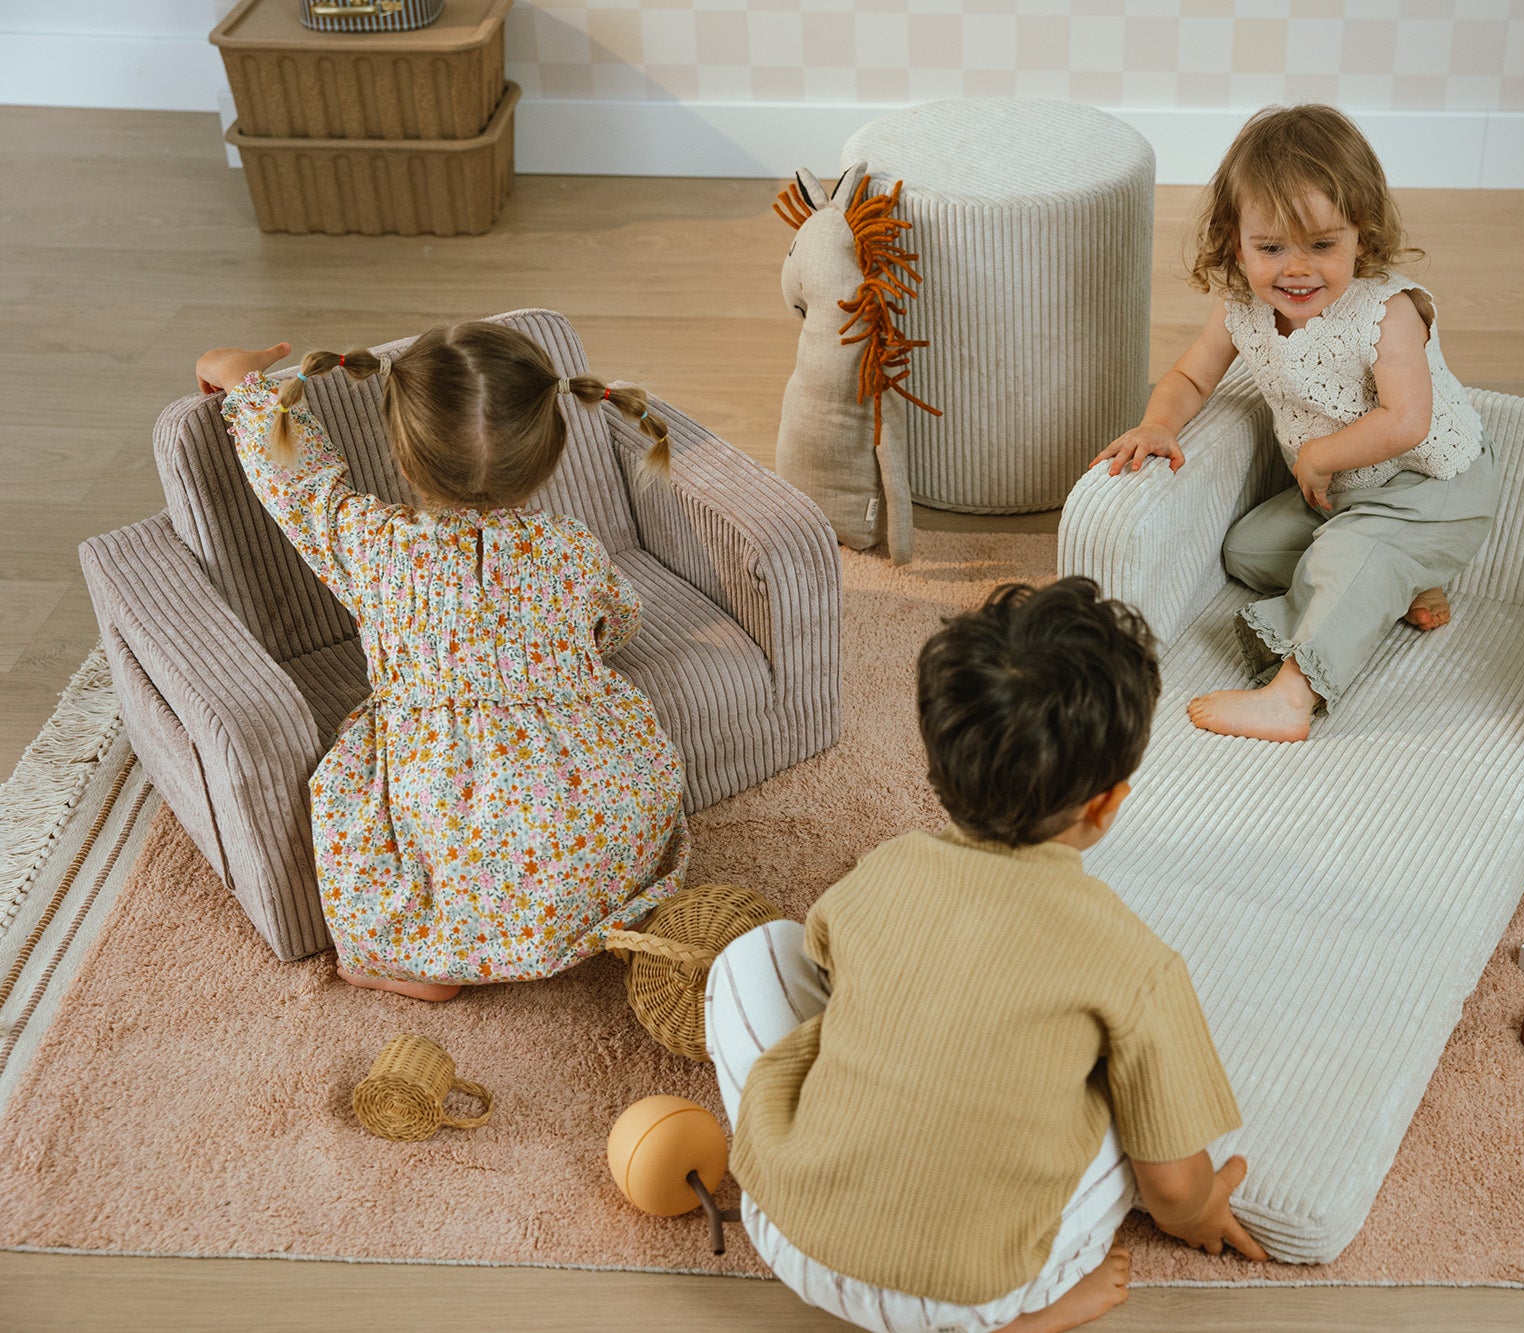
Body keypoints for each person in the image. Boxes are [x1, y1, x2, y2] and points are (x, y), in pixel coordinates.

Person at [705, 578, 1266, 1333]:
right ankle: (1025, 1320)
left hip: (786, 1232)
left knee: (753, 954)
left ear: (938, 769)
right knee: (1137, 1118)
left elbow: (825, 962)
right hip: (968, 1294)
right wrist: (1197, 1209)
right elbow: (1169, 1183)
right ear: (1107, 804)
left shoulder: (884, 869)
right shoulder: (1134, 960)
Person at [195, 325, 689, 1001]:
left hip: (452, 807)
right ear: (549, 456)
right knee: (622, 796)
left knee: (366, 826)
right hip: (599, 812)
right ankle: (593, 909)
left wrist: (243, 383)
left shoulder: (375, 545)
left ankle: (419, 961)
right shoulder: (570, 544)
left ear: (401, 461)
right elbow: (617, 621)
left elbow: (301, 484)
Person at [1093, 103, 1498, 743]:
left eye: (1323, 245)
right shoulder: (1243, 307)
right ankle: (1396, 584)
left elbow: (1407, 421)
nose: (1296, 268)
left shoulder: (1387, 311)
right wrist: (1158, 424)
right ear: (1236, 242)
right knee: (1247, 550)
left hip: (1429, 491)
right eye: (1271, 247)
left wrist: (1317, 457)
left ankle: (1292, 694)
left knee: (1347, 554)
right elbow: (1192, 377)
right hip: (1346, 494)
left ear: (1362, 235)